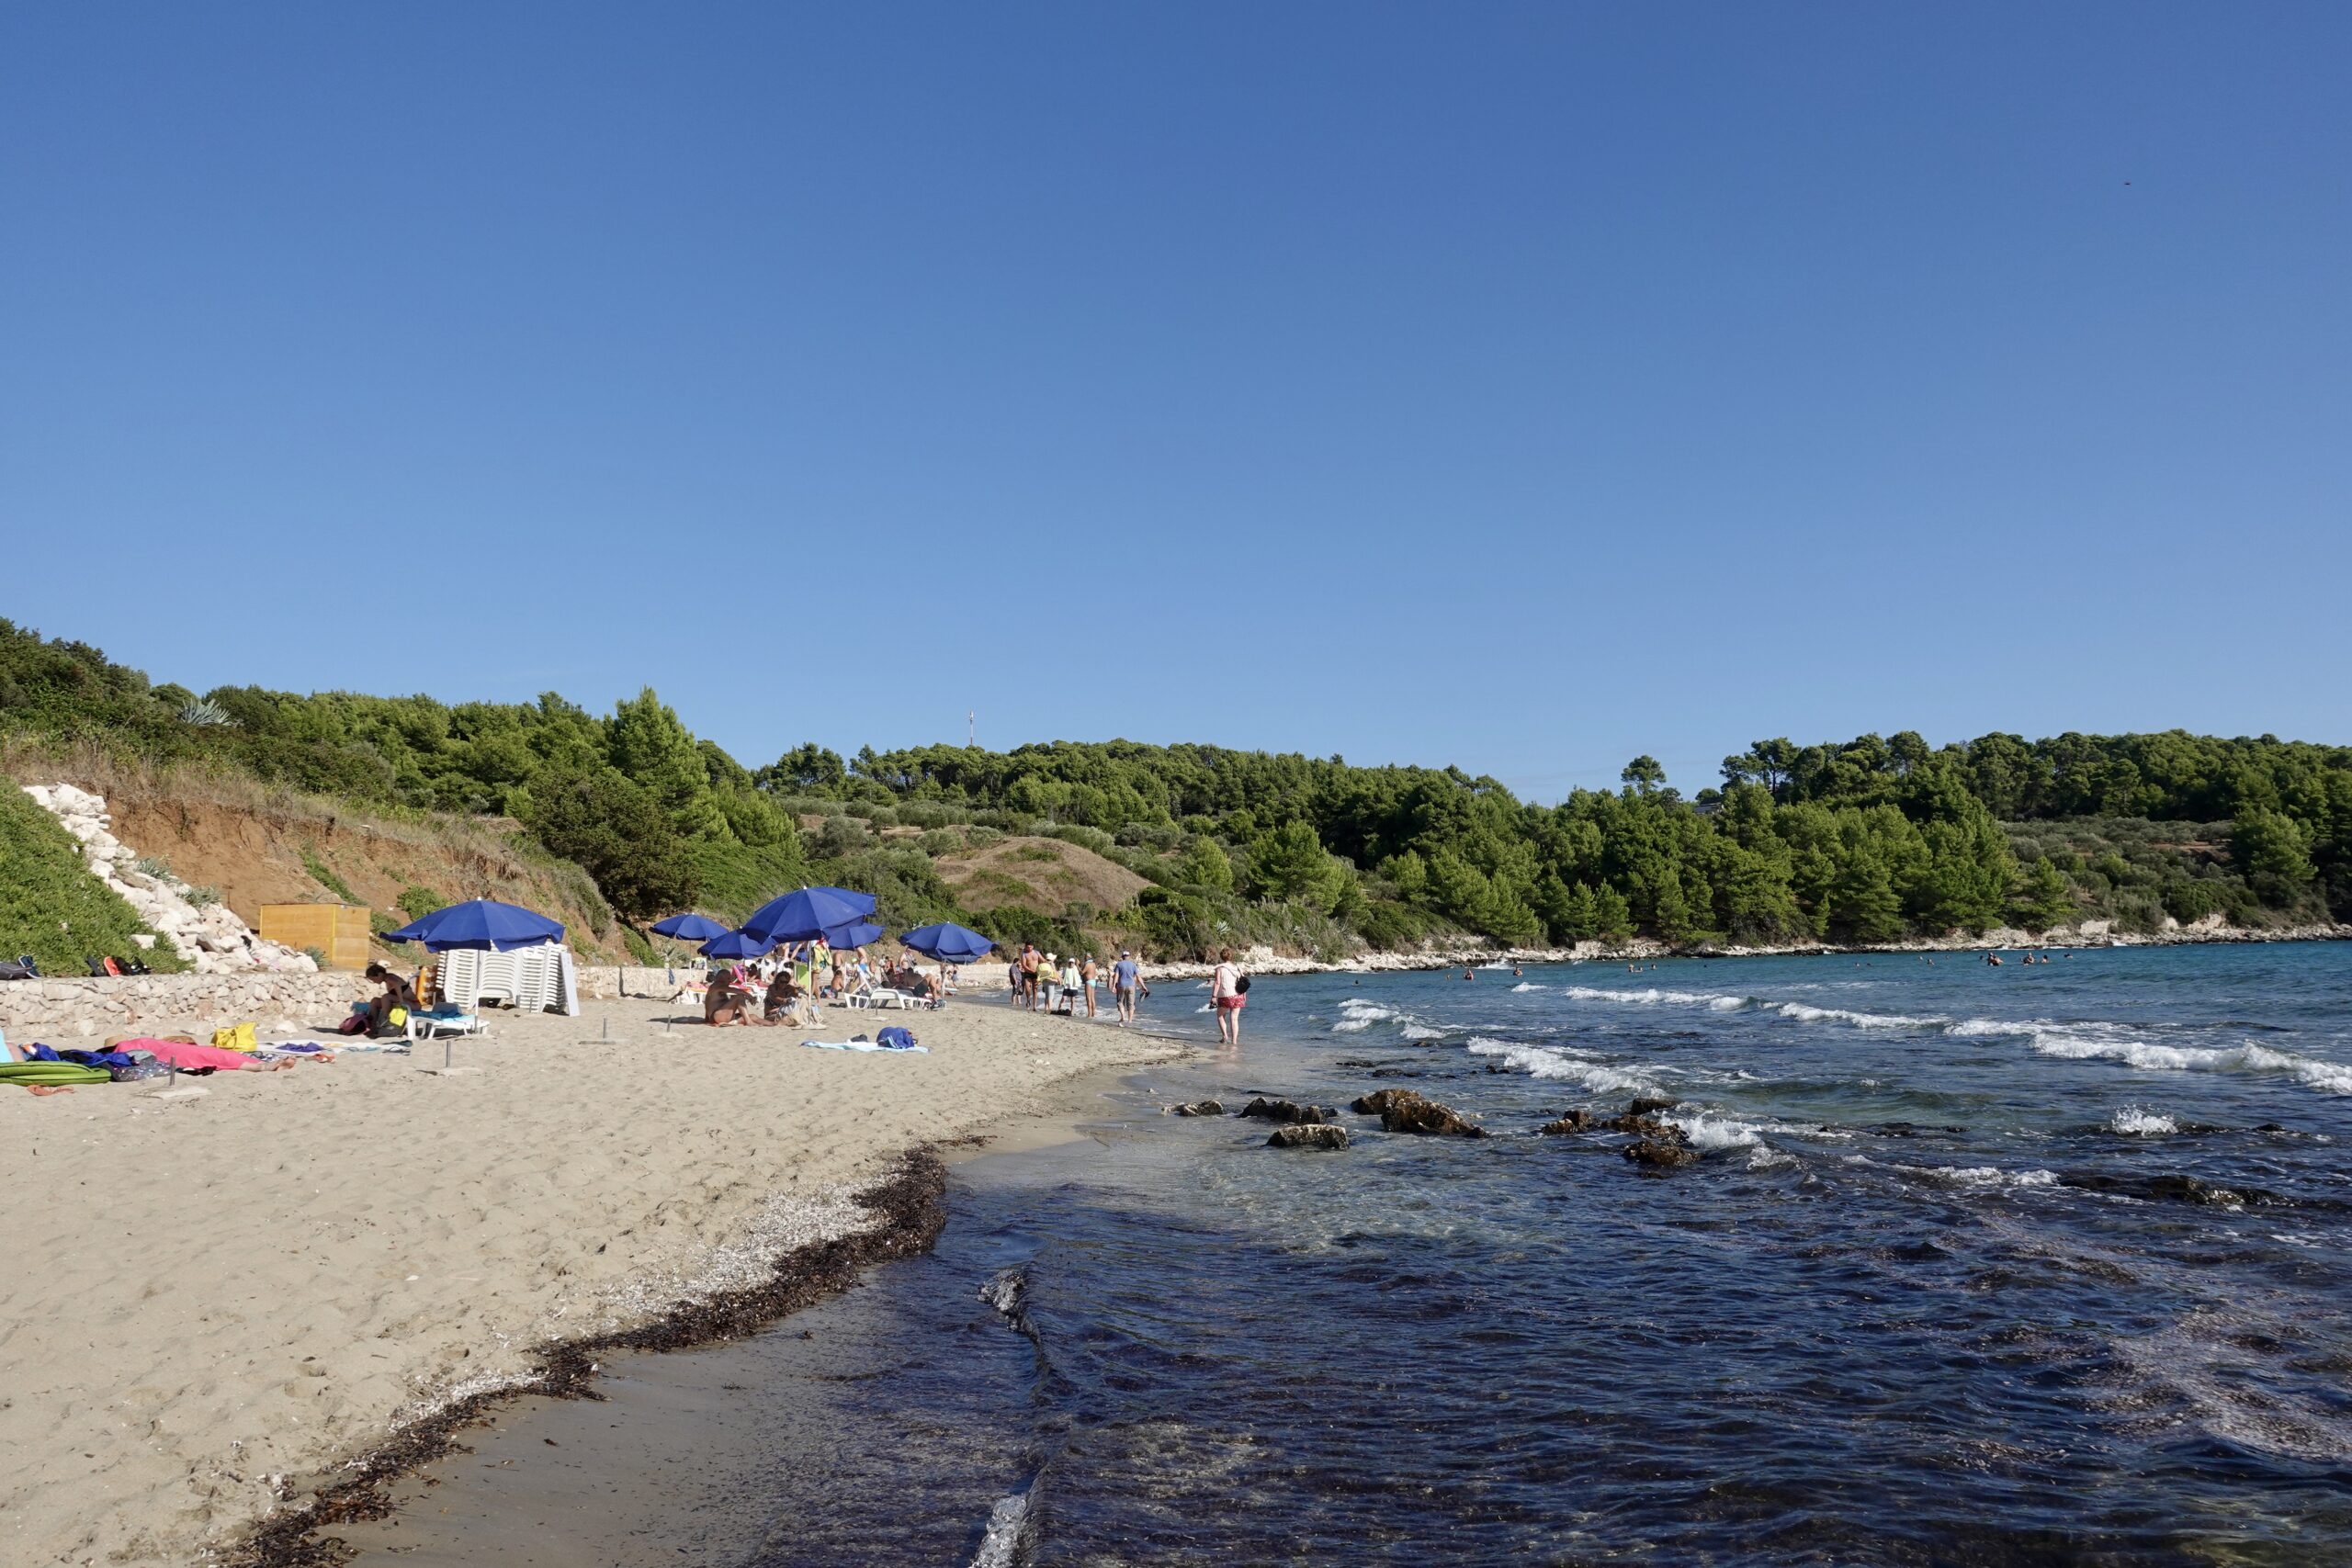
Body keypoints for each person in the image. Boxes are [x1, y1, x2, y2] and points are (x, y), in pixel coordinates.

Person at [363, 963, 419, 1035]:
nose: (374, 981)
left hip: (413, 1004)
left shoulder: (390, 978)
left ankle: (386, 1021)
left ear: (379, 974)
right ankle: (372, 1027)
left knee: (386, 997)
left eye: (373, 979)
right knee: (375, 1001)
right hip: (402, 1003)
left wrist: (401, 1000)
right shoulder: (387, 979)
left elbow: (397, 984)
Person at [1211, 947, 1247, 1047]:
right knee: (1234, 1019)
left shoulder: (1220, 968)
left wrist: (1214, 996)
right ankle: (1234, 1041)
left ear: (1222, 957)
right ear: (1231, 956)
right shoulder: (1238, 968)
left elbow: (1217, 983)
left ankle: (1225, 1036)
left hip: (1226, 995)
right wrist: (1244, 995)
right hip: (1238, 995)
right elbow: (1243, 982)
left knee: (1220, 1015)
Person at [1112, 949, 1142, 1025]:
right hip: (1131, 985)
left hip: (1121, 985)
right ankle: (1130, 1020)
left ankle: (1123, 1017)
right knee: (1131, 1003)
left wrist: (1113, 985)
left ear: (1122, 956)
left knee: (1120, 1002)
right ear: (1129, 956)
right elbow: (1138, 977)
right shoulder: (1133, 964)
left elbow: (1116, 975)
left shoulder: (1119, 964)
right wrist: (1143, 986)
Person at [1079, 953, 1100, 1019]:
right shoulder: (1093, 964)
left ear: (1088, 957)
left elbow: (1082, 972)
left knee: (1088, 998)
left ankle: (1089, 1014)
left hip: (1089, 981)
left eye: (1085, 957)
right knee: (1092, 998)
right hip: (1093, 981)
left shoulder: (1087, 964)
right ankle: (1093, 1014)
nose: (1084, 958)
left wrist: (1077, 965)